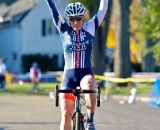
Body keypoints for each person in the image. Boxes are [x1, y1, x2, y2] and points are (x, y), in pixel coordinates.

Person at [46, 0, 109, 130]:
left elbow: (102, 9)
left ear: (83, 17)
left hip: (85, 74)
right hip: (68, 78)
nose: (75, 22)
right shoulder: (63, 29)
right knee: (66, 115)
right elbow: (53, 9)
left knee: (91, 83)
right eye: (72, 19)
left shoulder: (90, 27)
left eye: (78, 19)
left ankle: (90, 121)